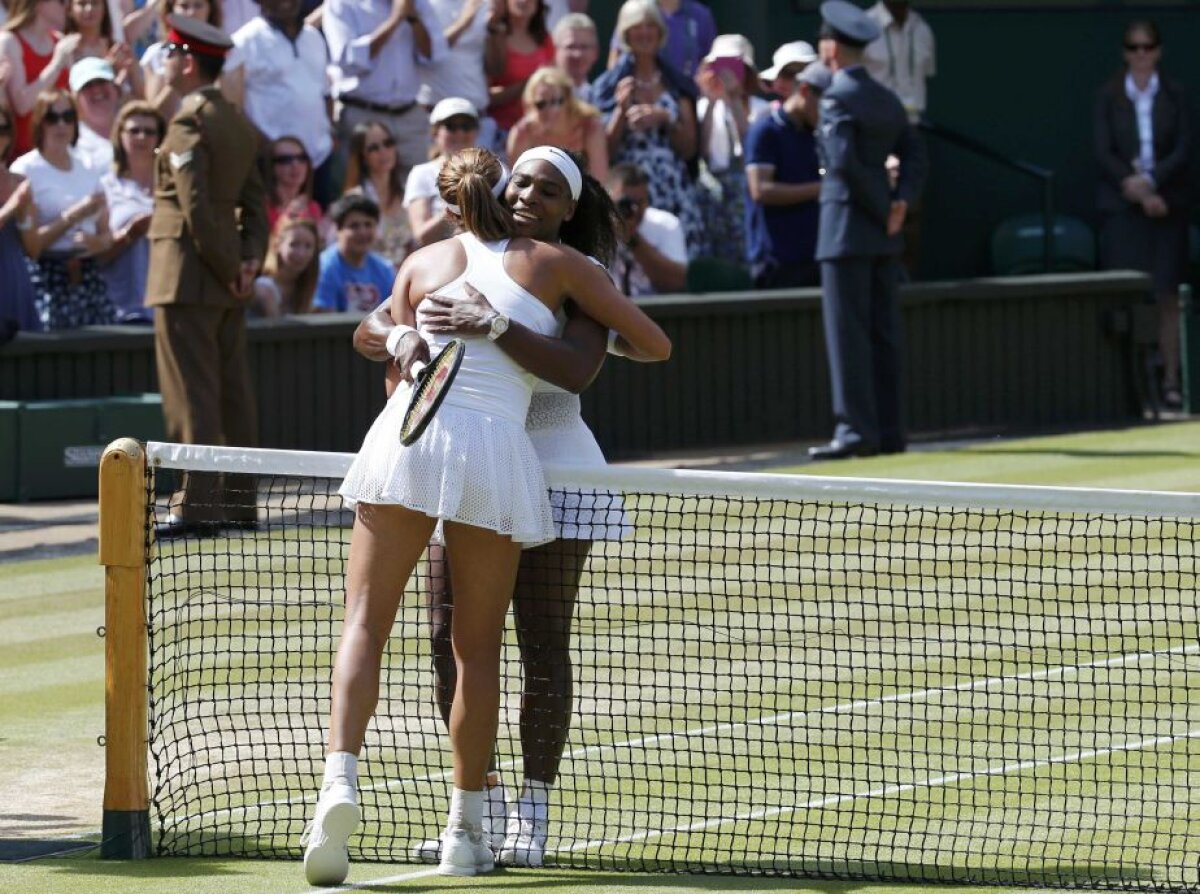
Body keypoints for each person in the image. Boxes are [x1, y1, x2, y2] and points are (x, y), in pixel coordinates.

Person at [301, 145, 670, 885]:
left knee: (538, 638)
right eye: (520, 180)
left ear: (571, 206)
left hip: (551, 461)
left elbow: (619, 352)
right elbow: (374, 328)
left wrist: (502, 324)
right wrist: (401, 335)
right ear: (499, 185)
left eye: (547, 187)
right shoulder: (443, 259)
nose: (529, 192)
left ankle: (522, 809)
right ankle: (475, 815)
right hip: (476, 454)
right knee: (454, 640)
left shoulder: (569, 272)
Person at [144, 15, 268, 536]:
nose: (165, 61)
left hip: (187, 274)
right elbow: (257, 205)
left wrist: (228, 266)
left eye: (170, 53)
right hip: (223, 276)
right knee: (231, 393)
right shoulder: (237, 121)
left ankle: (196, 506)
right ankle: (238, 504)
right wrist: (246, 264)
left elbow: (193, 207)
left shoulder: (188, 121)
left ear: (188, 62)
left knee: (193, 393)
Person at [808, 0, 925, 462]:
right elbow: (916, 154)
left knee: (848, 335)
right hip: (881, 234)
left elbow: (842, 164)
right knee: (883, 332)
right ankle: (891, 431)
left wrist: (885, 209)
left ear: (832, 48)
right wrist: (899, 204)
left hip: (845, 233)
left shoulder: (836, 97)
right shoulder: (887, 98)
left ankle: (856, 431)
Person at [1094, 19, 1193, 410]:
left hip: (1167, 204)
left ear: (1158, 51)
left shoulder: (1176, 95)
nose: (1141, 55)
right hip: (1124, 206)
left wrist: (1153, 182)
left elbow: (1183, 148)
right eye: (1134, 48)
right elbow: (1104, 152)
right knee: (1128, 297)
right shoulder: (1108, 96)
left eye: (1147, 47)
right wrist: (1135, 187)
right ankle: (1130, 388)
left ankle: (1170, 382)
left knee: (1168, 295)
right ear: (1125, 52)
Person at [592, 0, 701, 257]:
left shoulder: (676, 84)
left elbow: (689, 149)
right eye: (637, 26)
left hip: (672, 188)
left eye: (651, 25)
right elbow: (604, 150)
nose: (644, 33)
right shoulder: (608, 86)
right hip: (628, 188)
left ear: (660, 32)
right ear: (626, 33)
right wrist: (620, 111)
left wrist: (665, 118)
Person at [12, 88, 114, 329]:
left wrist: (99, 244)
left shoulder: (88, 167)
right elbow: (32, 247)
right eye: (52, 117)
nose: (61, 125)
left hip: (89, 278)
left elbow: (106, 232)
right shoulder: (25, 170)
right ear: (39, 122)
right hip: (46, 278)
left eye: (68, 116)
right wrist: (72, 216)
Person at [323, 0, 447, 183]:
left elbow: (436, 56)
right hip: (363, 115)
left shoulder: (418, 4)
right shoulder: (341, 4)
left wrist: (413, 19)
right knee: (364, 194)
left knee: (420, 187)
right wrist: (395, 19)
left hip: (409, 118)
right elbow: (348, 60)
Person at [222, 0, 332, 201]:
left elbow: (325, 92)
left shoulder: (313, 37)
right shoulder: (244, 41)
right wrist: (268, 148)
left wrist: (330, 134)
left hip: (318, 159)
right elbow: (232, 108)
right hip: (272, 165)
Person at [743, 61, 827, 289]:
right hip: (776, 263)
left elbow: (821, 173)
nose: (827, 114)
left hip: (814, 258)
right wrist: (822, 188)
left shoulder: (817, 134)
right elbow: (760, 190)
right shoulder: (765, 130)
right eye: (824, 105)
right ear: (805, 92)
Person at [692, 34, 765, 264]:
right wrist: (712, 99)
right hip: (711, 196)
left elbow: (751, 147)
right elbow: (700, 151)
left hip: (745, 194)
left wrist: (734, 99)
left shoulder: (761, 110)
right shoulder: (702, 108)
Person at [97, 99, 161, 322]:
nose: (142, 137)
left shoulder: (173, 187)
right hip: (122, 305)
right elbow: (96, 255)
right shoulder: (105, 187)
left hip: (167, 306)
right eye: (134, 130)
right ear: (120, 135)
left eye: (149, 131)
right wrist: (130, 233)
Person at [416, 0, 501, 155]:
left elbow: (496, 69)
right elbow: (428, 54)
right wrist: (465, 21)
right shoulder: (424, 4)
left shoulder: (485, 4)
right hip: (436, 121)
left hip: (476, 120)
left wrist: (494, 28)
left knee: (478, 178)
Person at [0, 0, 78, 156]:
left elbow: (74, 98)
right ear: (37, 4)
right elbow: (22, 105)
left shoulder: (59, 41)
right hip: (21, 155)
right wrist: (56, 64)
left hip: (61, 154)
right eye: (61, 1)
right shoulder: (9, 41)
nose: (68, 6)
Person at [404, 96, 480, 247]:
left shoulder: (494, 170)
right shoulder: (422, 174)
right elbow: (421, 237)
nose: (459, 133)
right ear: (435, 132)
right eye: (451, 126)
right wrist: (456, 206)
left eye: (466, 126)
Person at [507, 66, 606, 180]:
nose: (550, 111)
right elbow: (516, 181)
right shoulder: (522, 133)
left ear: (568, 100)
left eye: (556, 101)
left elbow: (600, 180)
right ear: (531, 105)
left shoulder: (590, 126)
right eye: (541, 104)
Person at [343, 119, 416, 268]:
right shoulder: (354, 199)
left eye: (388, 143)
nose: (383, 152)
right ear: (362, 156)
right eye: (374, 148)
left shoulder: (407, 192)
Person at [312, 193, 395, 313]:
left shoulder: (385, 269)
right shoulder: (323, 267)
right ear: (337, 230)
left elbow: (391, 314)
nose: (362, 232)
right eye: (354, 226)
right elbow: (324, 317)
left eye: (368, 225)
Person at [140, 0, 222, 122]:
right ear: (171, 10)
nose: (191, 13)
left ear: (210, 10)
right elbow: (155, 115)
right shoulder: (157, 54)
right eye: (184, 6)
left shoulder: (223, 52)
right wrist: (177, 71)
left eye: (198, 5)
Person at [0, 102, 41, 335]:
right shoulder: (17, 192)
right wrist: (11, 207)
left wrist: (25, 215)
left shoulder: (18, 181)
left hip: (15, 279)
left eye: (2, 130)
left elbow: (34, 249)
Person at [486, 0, 555, 137]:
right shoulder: (494, 36)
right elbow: (487, 97)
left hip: (537, 132)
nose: (524, 1)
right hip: (500, 131)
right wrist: (528, 83)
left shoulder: (545, 39)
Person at [863, 0, 935, 125]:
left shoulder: (922, 29)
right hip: (874, 124)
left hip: (913, 125)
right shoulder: (864, 25)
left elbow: (927, 73)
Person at [605, 0, 713, 81]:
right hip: (639, 96)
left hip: (687, 99)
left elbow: (707, 62)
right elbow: (615, 62)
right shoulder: (635, 10)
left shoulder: (700, 15)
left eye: (650, 25)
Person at [251, 213, 320, 316]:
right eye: (294, 245)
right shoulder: (265, 288)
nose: (301, 253)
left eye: (308, 246)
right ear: (277, 245)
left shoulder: (307, 287)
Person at [264, 135, 326, 237]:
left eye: (302, 158)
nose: (295, 165)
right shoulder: (262, 206)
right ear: (271, 166)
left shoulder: (313, 207)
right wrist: (290, 215)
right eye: (285, 160)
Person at [68, 56, 119, 170]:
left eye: (101, 82)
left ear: (115, 88)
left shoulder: (139, 128)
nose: (96, 90)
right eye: (87, 86)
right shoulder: (71, 143)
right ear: (76, 99)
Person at [551, 11, 597, 102]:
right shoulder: (542, 99)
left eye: (584, 47)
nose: (577, 54)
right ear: (554, 51)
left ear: (595, 53)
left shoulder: (601, 98)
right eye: (570, 47)